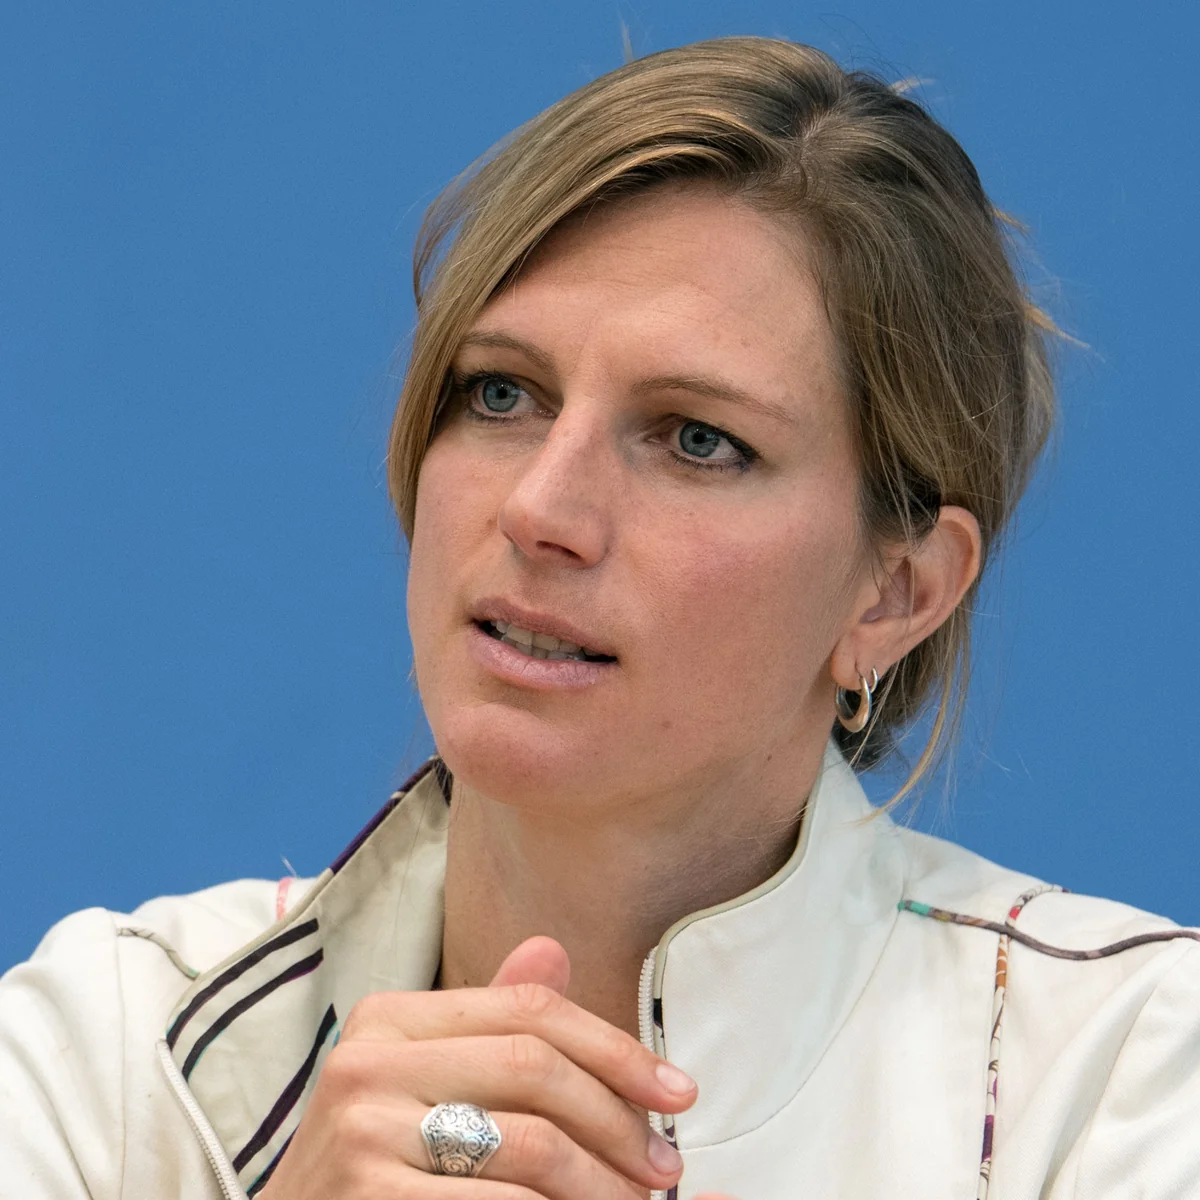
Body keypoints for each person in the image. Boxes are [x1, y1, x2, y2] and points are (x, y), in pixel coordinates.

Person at [2, 35, 1198, 1200]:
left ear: (896, 593)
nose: (540, 509)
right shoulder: (99, 1056)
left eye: (698, 440)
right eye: (501, 393)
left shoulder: (1123, 1078)